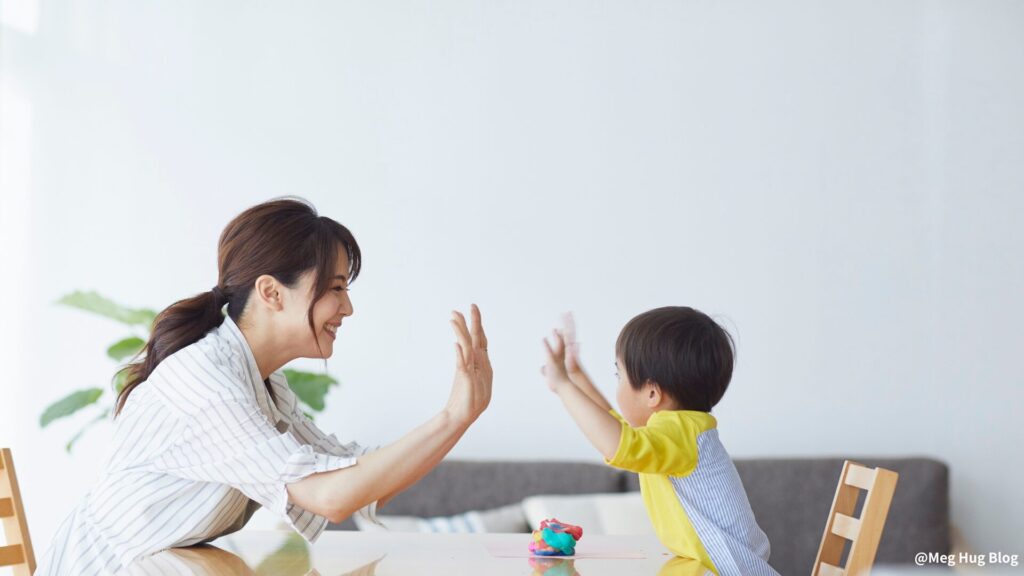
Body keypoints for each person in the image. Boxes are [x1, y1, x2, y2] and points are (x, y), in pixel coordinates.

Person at [36, 197, 492, 575]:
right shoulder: (207, 383)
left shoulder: (260, 380)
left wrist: (460, 419)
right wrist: (452, 416)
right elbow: (329, 499)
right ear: (272, 293)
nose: (347, 308)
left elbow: (355, 480)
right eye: (335, 288)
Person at [541, 308, 777, 576]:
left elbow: (618, 443)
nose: (617, 384)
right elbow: (617, 429)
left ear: (652, 393)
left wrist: (563, 385)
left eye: (619, 376)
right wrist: (575, 376)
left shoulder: (681, 432)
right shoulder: (677, 434)